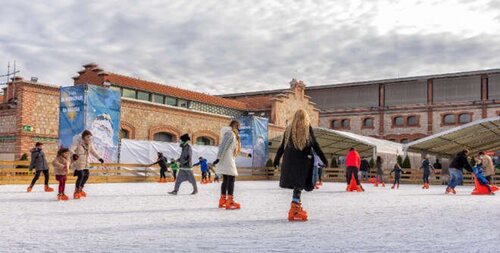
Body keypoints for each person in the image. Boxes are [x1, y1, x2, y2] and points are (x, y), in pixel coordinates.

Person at [274, 109, 328, 221]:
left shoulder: (289, 129)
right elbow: (315, 145)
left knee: (297, 185)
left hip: (289, 161)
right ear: (305, 118)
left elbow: (281, 147)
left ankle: (296, 206)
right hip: (302, 162)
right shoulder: (307, 128)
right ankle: (295, 208)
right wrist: (324, 159)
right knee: (299, 184)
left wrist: (276, 160)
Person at [213, 120, 251, 210]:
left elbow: (235, 150)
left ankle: (223, 200)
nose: (240, 128)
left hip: (228, 158)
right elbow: (223, 146)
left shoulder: (234, 135)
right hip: (227, 159)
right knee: (231, 178)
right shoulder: (230, 133)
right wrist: (218, 158)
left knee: (226, 179)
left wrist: (246, 154)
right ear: (235, 125)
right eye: (239, 126)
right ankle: (229, 201)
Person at [71, 130, 104, 199]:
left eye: (90, 137)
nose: (89, 138)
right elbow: (71, 149)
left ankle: (80, 189)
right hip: (78, 161)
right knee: (81, 175)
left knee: (86, 175)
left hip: (85, 162)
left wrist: (99, 158)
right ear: (84, 136)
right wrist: (74, 154)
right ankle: (76, 192)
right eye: (88, 136)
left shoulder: (89, 143)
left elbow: (93, 151)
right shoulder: (78, 142)